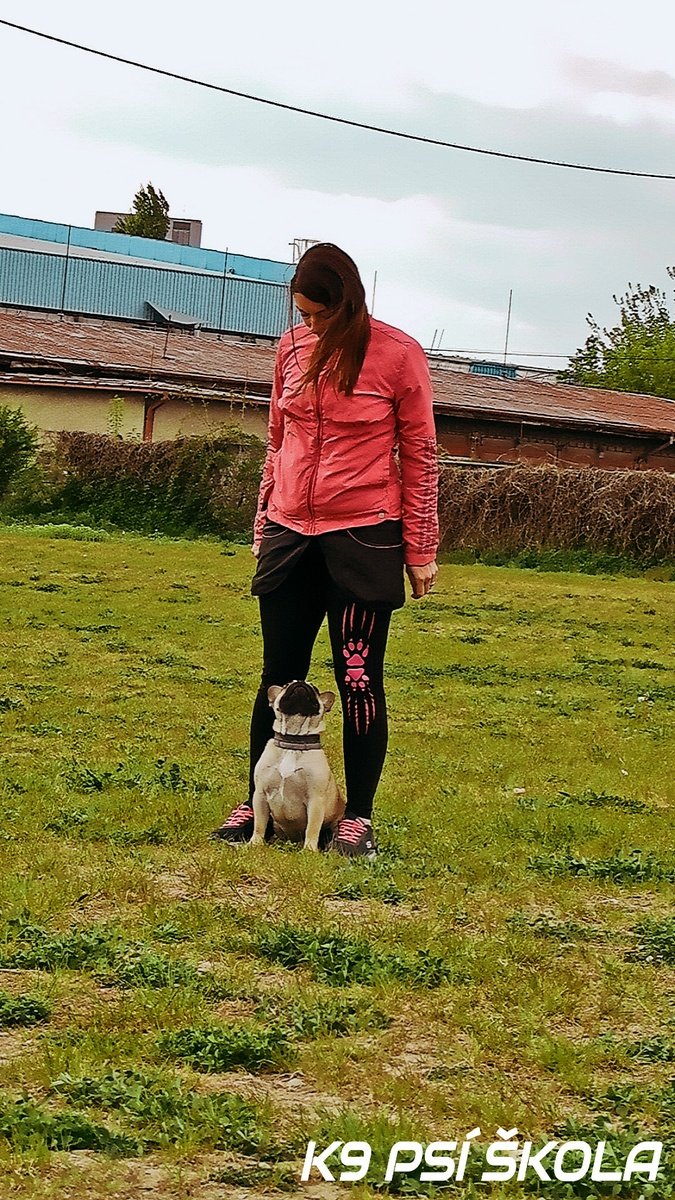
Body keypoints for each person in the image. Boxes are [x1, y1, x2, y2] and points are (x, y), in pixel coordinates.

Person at [211, 243, 438, 858]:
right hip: (289, 533)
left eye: (321, 314)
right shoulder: (289, 350)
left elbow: (420, 455)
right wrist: (263, 524)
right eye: (302, 314)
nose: (309, 326)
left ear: (349, 303)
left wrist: (420, 547)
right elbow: (276, 443)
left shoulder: (398, 355)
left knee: (357, 677)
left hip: (363, 536)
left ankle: (357, 816)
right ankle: (255, 800)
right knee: (277, 675)